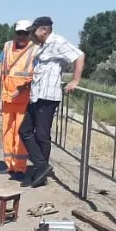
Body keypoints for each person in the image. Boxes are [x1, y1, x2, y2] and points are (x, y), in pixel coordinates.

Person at [19, 16, 85, 188]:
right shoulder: (41, 46)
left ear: (44, 30)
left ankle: (41, 171)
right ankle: (41, 166)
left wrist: (75, 80)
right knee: (25, 130)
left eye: (34, 31)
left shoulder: (57, 42)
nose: (32, 34)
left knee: (41, 134)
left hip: (48, 96)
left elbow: (79, 56)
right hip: (36, 95)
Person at [0, 19, 39, 179]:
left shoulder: (35, 50)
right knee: (7, 132)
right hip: (7, 98)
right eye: (19, 33)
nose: (22, 37)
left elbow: (38, 75)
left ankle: (20, 167)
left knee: (20, 134)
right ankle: (10, 165)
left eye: (25, 33)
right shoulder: (7, 47)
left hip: (24, 100)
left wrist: (23, 88)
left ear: (30, 34)